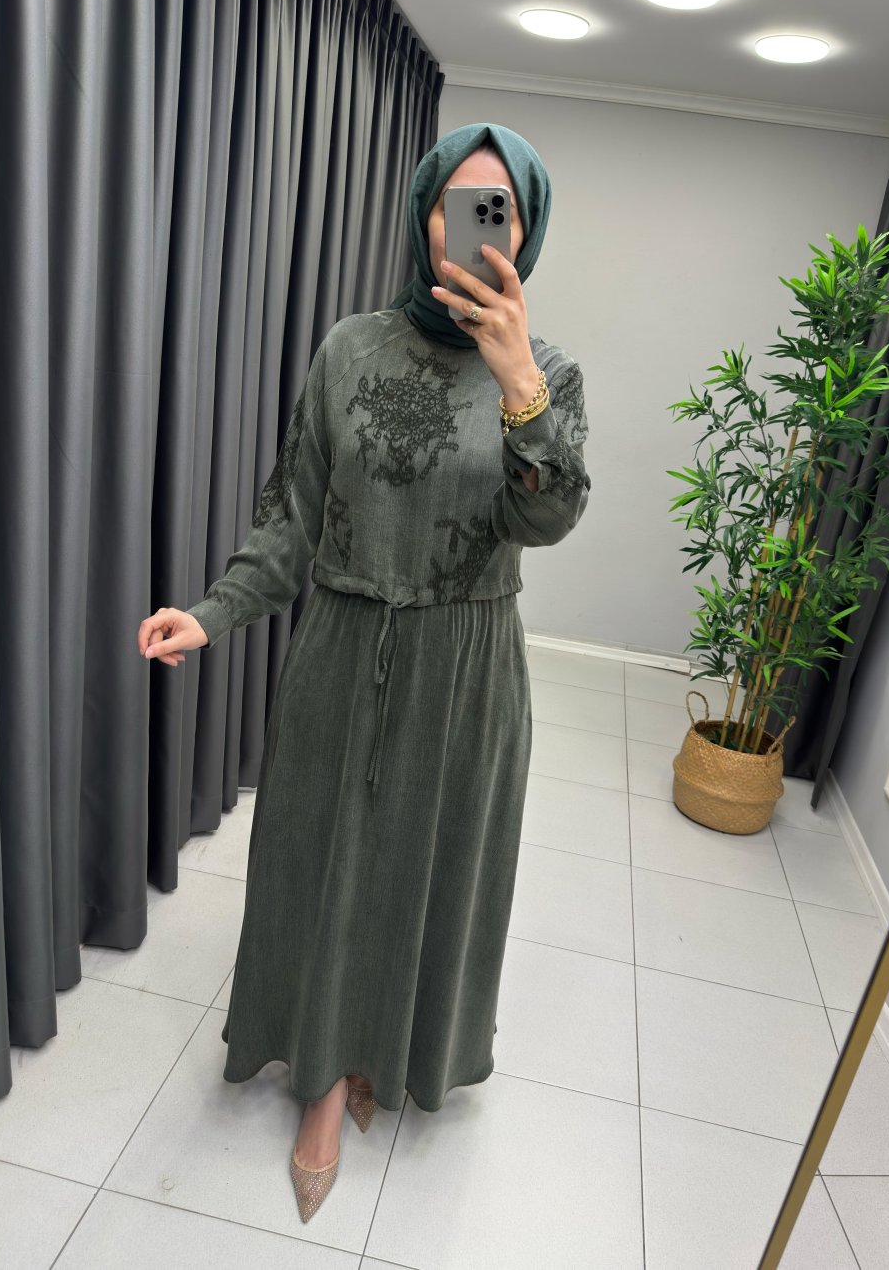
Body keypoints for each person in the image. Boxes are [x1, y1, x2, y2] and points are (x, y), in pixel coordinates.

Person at [136, 122, 590, 1223]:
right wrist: (212, 612)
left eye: (498, 210)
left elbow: (547, 519)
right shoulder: (348, 349)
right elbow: (290, 517)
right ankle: (325, 1080)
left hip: (467, 666)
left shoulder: (550, 373)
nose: (473, 228)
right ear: (422, 213)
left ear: (525, 230)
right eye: (454, 204)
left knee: (433, 867)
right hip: (343, 646)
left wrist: (519, 383)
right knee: (325, 861)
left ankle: (393, 1048)